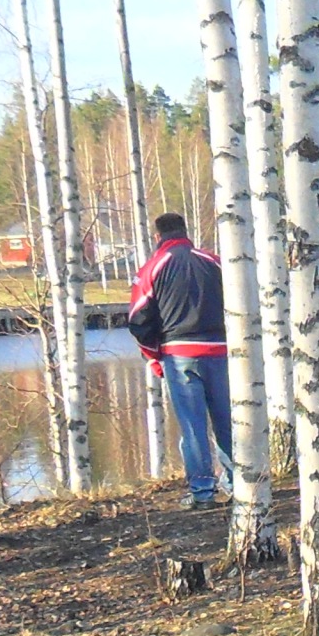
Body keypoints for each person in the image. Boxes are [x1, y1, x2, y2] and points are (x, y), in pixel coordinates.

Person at [128, 213, 231, 509]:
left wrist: (153, 356)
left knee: (193, 426)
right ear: (186, 231)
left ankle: (203, 492)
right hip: (220, 351)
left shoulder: (152, 268)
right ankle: (239, 485)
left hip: (179, 354)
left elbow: (138, 319)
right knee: (227, 421)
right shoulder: (214, 262)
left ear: (157, 236)